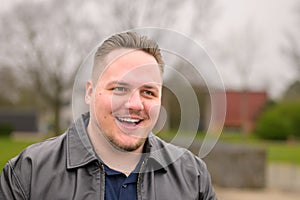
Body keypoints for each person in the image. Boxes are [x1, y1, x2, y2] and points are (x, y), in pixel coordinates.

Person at [0, 32, 217, 200]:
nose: (135, 104)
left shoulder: (192, 177)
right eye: (119, 88)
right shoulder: (29, 173)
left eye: (148, 92)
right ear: (89, 92)